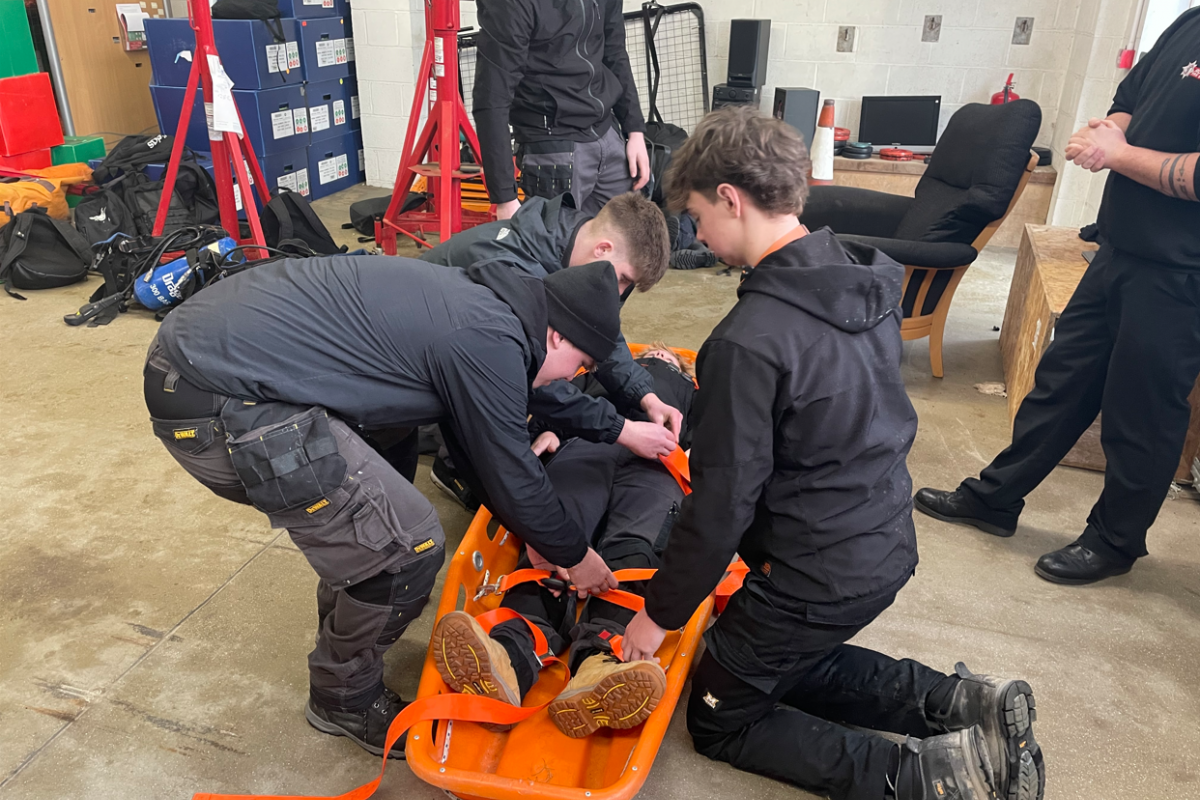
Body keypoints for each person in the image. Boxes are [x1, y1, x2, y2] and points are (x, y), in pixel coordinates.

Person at [617, 107, 1045, 800]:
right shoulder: (865, 279)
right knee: (762, 656)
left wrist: (657, 615)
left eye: (696, 215)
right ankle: (963, 704)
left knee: (722, 713)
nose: (696, 233)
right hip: (882, 544)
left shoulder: (746, 342)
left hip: (814, 573)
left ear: (730, 198)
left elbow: (721, 507)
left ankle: (930, 779)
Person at [144, 254, 627, 759]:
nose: (572, 379)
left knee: (376, 516)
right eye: (581, 365)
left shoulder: (486, 304)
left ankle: (346, 639)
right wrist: (575, 554)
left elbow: (476, 443)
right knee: (406, 547)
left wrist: (539, 531)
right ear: (557, 337)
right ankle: (343, 699)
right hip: (213, 399)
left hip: (210, 360)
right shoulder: (486, 338)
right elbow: (506, 463)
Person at [914, 7, 1200, 585]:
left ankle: (1115, 541)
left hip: (1182, 271)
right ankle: (996, 499)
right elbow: (1130, 95)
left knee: (1140, 414)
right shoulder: (1191, 19)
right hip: (1118, 246)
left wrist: (1118, 155)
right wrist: (1107, 133)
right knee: (1060, 384)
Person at [430, 346, 696, 738]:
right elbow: (553, 401)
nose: (658, 354)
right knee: (555, 540)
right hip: (589, 446)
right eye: (652, 350)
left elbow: (719, 440)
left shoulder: (693, 393)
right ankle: (511, 650)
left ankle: (602, 663)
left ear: (683, 369)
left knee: (634, 547)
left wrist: (697, 461)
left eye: (667, 356)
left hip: (660, 465)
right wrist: (546, 432)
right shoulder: (601, 374)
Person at [420, 191, 678, 509]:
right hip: (421, 362)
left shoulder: (568, 242)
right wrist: (622, 430)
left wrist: (644, 395)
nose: (619, 292)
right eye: (623, 279)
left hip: (449, 345)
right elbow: (530, 382)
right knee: (503, 427)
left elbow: (597, 330)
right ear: (604, 249)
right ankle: (451, 468)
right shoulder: (519, 271)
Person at [473, 0, 650, 220]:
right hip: (553, 146)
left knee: (627, 243)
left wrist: (635, 131)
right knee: (557, 250)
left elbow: (614, 50)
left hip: (607, 135)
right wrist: (505, 198)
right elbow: (492, 96)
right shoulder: (510, 5)